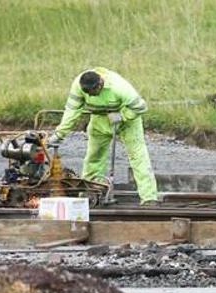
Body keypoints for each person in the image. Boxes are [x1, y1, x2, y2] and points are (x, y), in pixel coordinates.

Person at [50, 68, 159, 205]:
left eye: (94, 92)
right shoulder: (78, 86)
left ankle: (149, 197)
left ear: (100, 84)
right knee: (94, 156)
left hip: (128, 122)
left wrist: (122, 116)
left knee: (138, 157)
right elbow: (72, 110)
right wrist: (59, 134)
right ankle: (91, 191)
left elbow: (141, 107)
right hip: (99, 119)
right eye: (88, 93)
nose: (92, 96)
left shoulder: (119, 87)